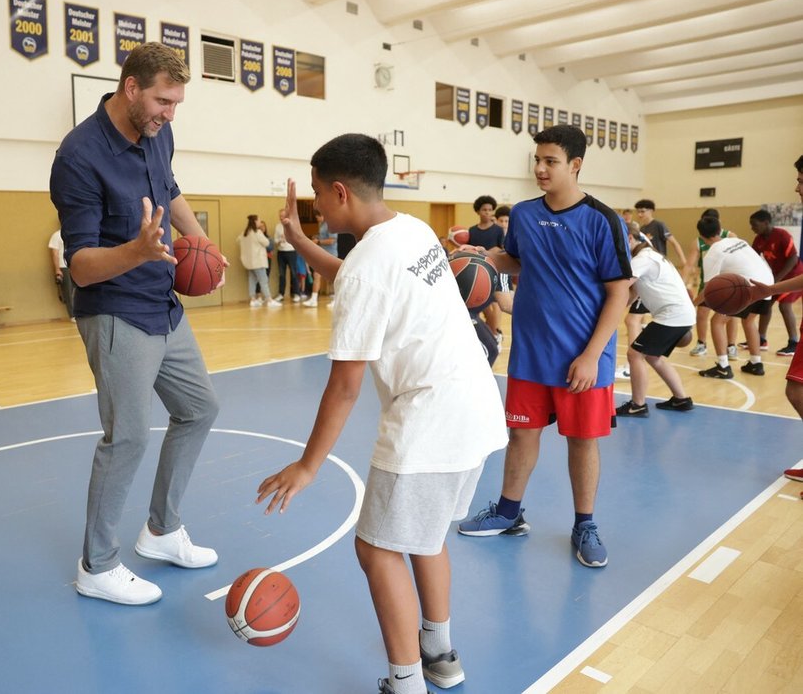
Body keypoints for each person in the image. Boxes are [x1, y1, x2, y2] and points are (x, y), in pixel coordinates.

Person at [256, 134, 506, 694]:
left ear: (341, 191)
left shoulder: (369, 263)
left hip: (430, 417)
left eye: (318, 196)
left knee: (376, 547)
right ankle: (440, 653)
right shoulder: (411, 229)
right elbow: (353, 276)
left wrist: (308, 465)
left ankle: (406, 681)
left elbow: (344, 387)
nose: (316, 207)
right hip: (476, 405)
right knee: (425, 534)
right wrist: (299, 239)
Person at [49, 42, 224, 606]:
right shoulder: (78, 156)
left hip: (162, 303)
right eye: (163, 101)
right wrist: (139, 250)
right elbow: (80, 266)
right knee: (126, 436)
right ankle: (97, 566)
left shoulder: (157, 134)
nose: (170, 113)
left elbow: (168, 191)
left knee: (199, 408)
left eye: (176, 103)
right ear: (131, 88)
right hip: (115, 310)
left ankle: (161, 530)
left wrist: (197, 240)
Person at [458, 124, 632, 570]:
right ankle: (508, 513)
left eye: (550, 161)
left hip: (583, 357)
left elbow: (620, 292)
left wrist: (593, 355)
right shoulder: (521, 214)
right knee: (521, 435)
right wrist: (478, 259)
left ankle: (585, 524)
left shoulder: (602, 219)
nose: (539, 168)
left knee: (581, 442)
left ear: (575, 164)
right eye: (537, 160)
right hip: (532, 351)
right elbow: (518, 258)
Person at [753, 154, 803, 483]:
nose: (797, 187)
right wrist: (767, 288)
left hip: (790, 273)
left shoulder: (784, 236)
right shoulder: (759, 240)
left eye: (801, 180)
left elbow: (796, 261)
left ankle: (789, 339)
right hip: (783, 280)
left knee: (796, 391)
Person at [615, 226, 695, 417]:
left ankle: (638, 405)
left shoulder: (643, 259)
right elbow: (632, 292)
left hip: (673, 315)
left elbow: (621, 285)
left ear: (630, 238)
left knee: (635, 355)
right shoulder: (649, 256)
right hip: (681, 314)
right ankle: (681, 399)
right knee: (652, 356)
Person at [696, 215, 774, 379]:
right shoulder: (739, 240)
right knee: (749, 320)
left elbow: (709, 289)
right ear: (720, 229)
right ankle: (756, 363)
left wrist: (692, 304)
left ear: (701, 236)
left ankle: (723, 367)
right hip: (768, 284)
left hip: (749, 286)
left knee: (717, 321)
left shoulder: (712, 253)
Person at [684, 208, 740, 358]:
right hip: (709, 281)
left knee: (730, 315)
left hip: (729, 281)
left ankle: (731, 346)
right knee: (702, 313)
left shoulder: (730, 236)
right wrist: (683, 282)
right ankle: (701, 344)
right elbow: (690, 265)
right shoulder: (698, 242)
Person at [749, 209, 802, 357]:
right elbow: (752, 258)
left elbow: (793, 259)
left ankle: (793, 342)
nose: (752, 228)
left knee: (785, 306)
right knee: (766, 304)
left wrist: (777, 279)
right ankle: (761, 339)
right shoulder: (759, 239)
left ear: (766, 223)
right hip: (774, 277)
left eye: (754, 225)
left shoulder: (782, 235)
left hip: (793, 274)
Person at [467, 195, 509, 344]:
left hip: (496, 270)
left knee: (495, 303)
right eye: (484, 210)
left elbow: (503, 250)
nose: (488, 213)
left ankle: (494, 333)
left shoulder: (498, 230)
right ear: (478, 211)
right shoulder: (472, 230)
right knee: (482, 304)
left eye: (490, 210)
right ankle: (491, 333)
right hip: (478, 272)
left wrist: (488, 251)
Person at [238, 214, 281, 307]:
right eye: (258, 221)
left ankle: (253, 299)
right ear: (255, 222)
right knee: (263, 280)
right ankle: (269, 299)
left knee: (252, 280)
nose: (260, 223)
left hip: (249, 262)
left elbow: (238, 240)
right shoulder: (257, 232)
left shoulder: (244, 233)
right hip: (258, 261)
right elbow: (266, 243)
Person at [303, 210, 337, 307]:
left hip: (330, 254)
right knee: (316, 275)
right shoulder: (322, 225)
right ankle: (314, 299)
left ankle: (336, 299)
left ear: (322, 215)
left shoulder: (330, 225)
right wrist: (316, 237)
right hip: (322, 254)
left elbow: (332, 240)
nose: (317, 219)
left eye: (318, 217)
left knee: (333, 278)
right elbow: (322, 237)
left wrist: (318, 241)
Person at [273, 212, 304, 302]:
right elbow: (275, 240)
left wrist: (288, 236)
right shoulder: (278, 226)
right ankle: (281, 294)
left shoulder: (292, 225)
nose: (281, 218)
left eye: (282, 216)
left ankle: (297, 294)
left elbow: (297, 237)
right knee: (281, 274)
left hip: (291, 251)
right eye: (280, 216)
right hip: (281, 252)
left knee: (294, 273)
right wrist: (279, 240)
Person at [48, 228, 75, 319]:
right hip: (64, 266)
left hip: (75, 266)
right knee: (68, 291)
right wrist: (57, 269)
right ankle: (72, 315)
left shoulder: (73, 233)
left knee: (78, 291)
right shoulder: (56, 235)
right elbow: (54, 254)